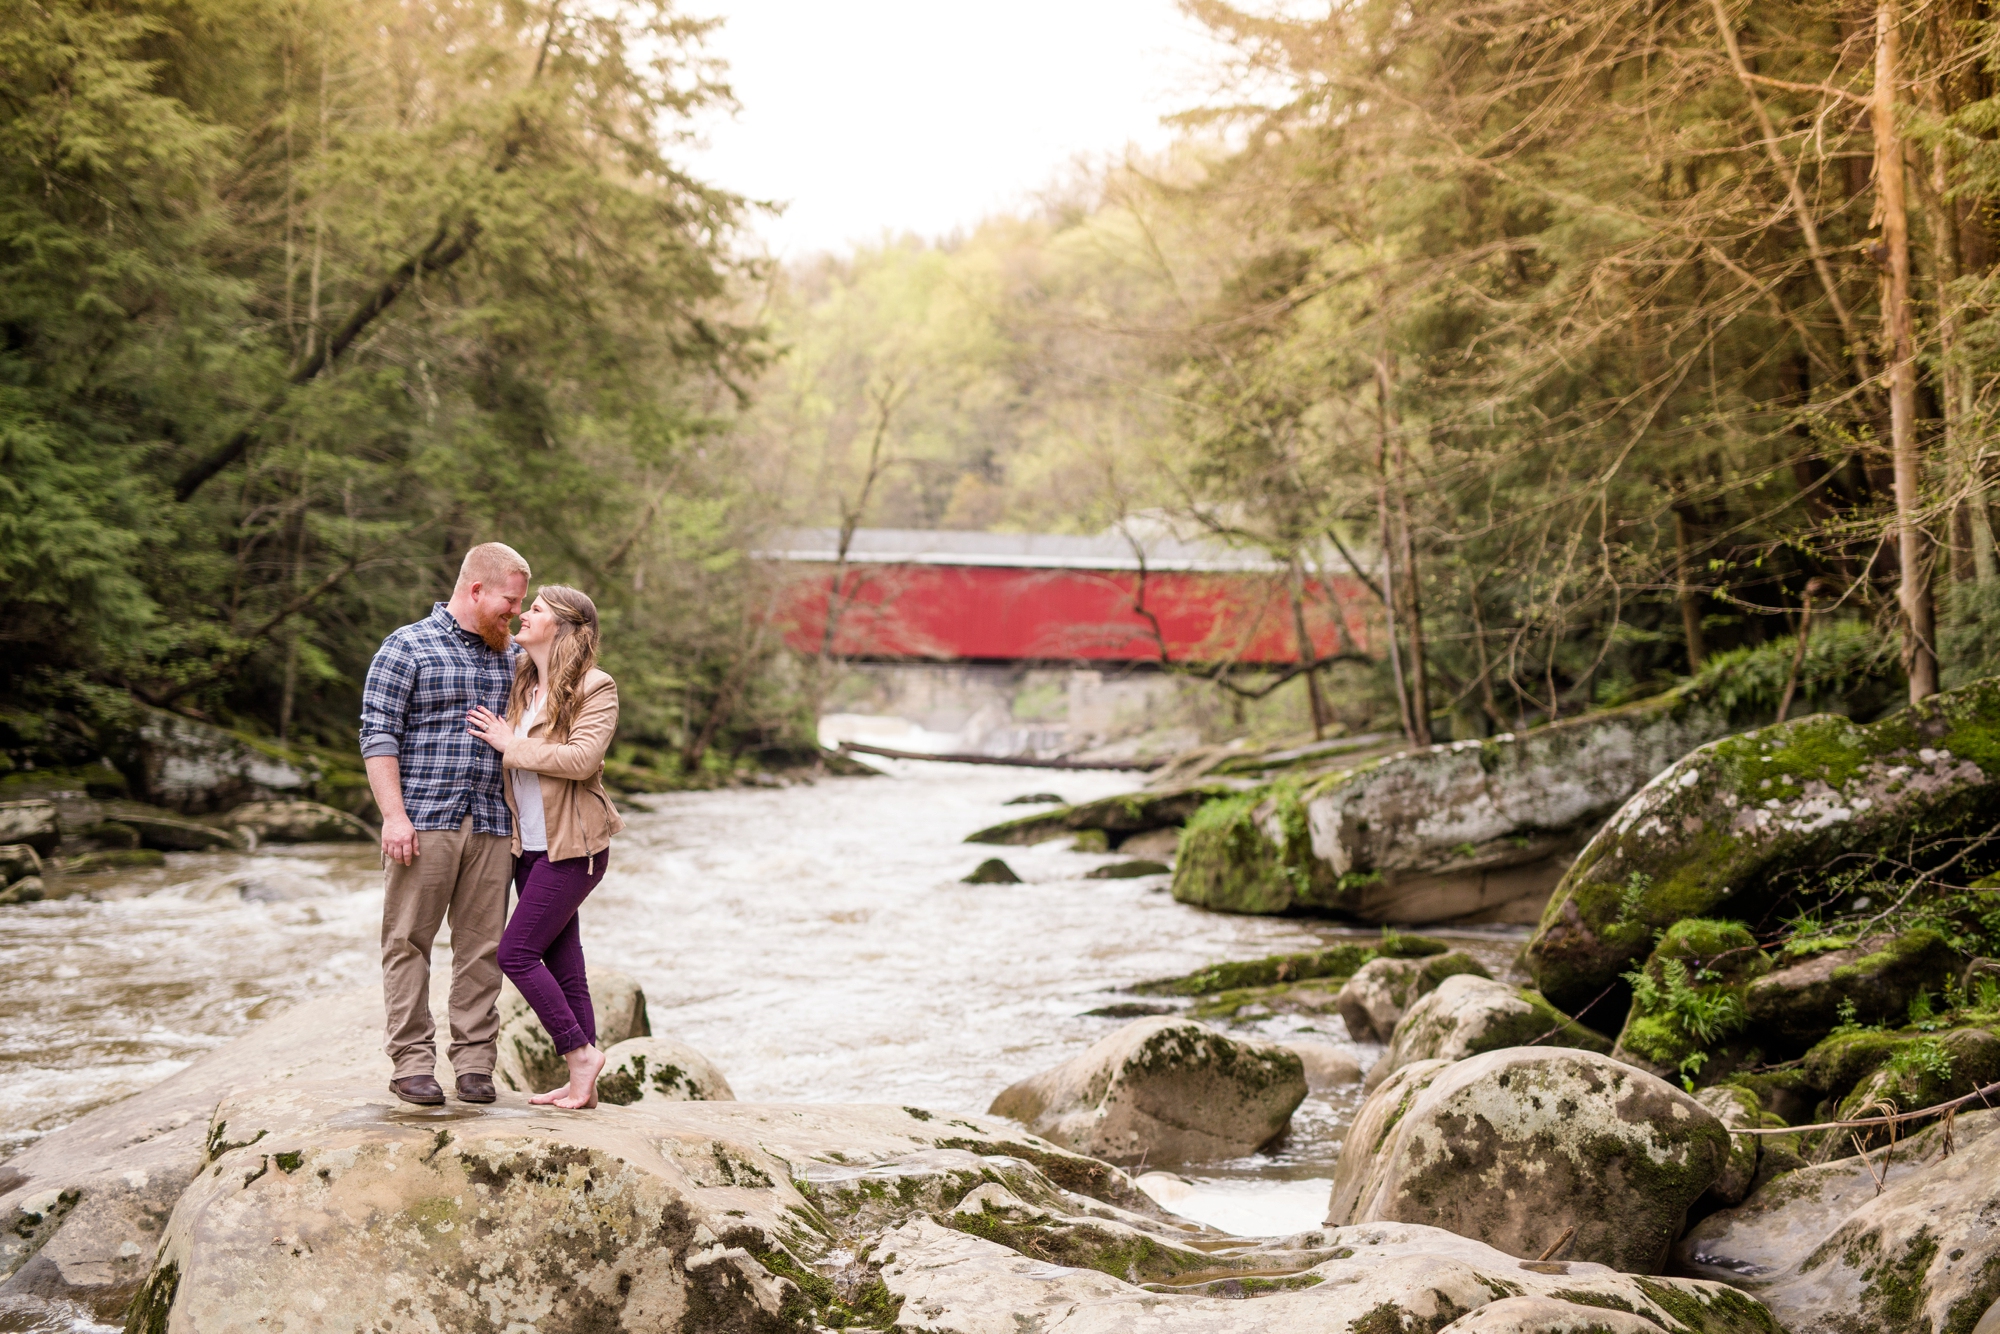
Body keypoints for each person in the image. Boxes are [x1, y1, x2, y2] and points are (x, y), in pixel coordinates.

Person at [360, 542, 530, 1106]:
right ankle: (411, 1064)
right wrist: (394, 816)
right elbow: (377, 734)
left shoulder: (514, 657)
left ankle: (476, 1065)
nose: (515, 613)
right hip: (423, 820)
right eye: (509, 601)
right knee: (409, 941)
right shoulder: (405, 646)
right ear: (476, 589)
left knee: (483, 948)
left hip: (492, 822)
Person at [467, 585, 625, 1109]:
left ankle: (579, 1052)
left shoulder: (594, 687)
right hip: (527, 847)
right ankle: (585, 1084)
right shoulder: (522, 680)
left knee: (515, 953)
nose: (523, 614)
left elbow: (581, 760)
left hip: (574, 847)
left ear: (562, 626)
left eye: (535, 609)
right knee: (565, 963)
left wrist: (512, 745)